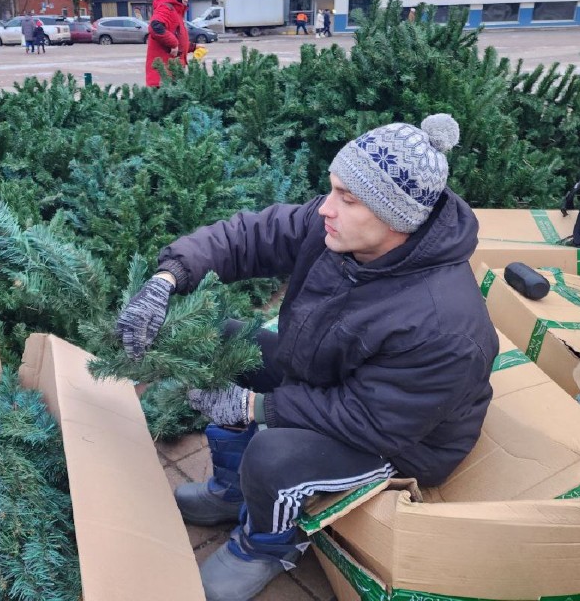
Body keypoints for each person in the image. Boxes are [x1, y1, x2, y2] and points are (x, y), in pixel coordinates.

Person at [115, 114, 498, 601]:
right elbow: (249, 236)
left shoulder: (444, 324)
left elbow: (373, 421)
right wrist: (168, 278)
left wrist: (253, 407)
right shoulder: (340, 230)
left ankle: (266, 545)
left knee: (273, 457)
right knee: (225, 344)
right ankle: (235, 492)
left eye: (347, 198)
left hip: (403, 442)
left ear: (395, 217)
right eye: (333, 189)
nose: (326, 209)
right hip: (332, 378)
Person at [145, 0, 194, 88]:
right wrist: (173, 43)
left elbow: (178, 38)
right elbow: (155, 26)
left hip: (171, 75)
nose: (186, 0)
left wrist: (193, 47)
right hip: (162, 78)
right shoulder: (166, 8)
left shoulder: (175, 12)